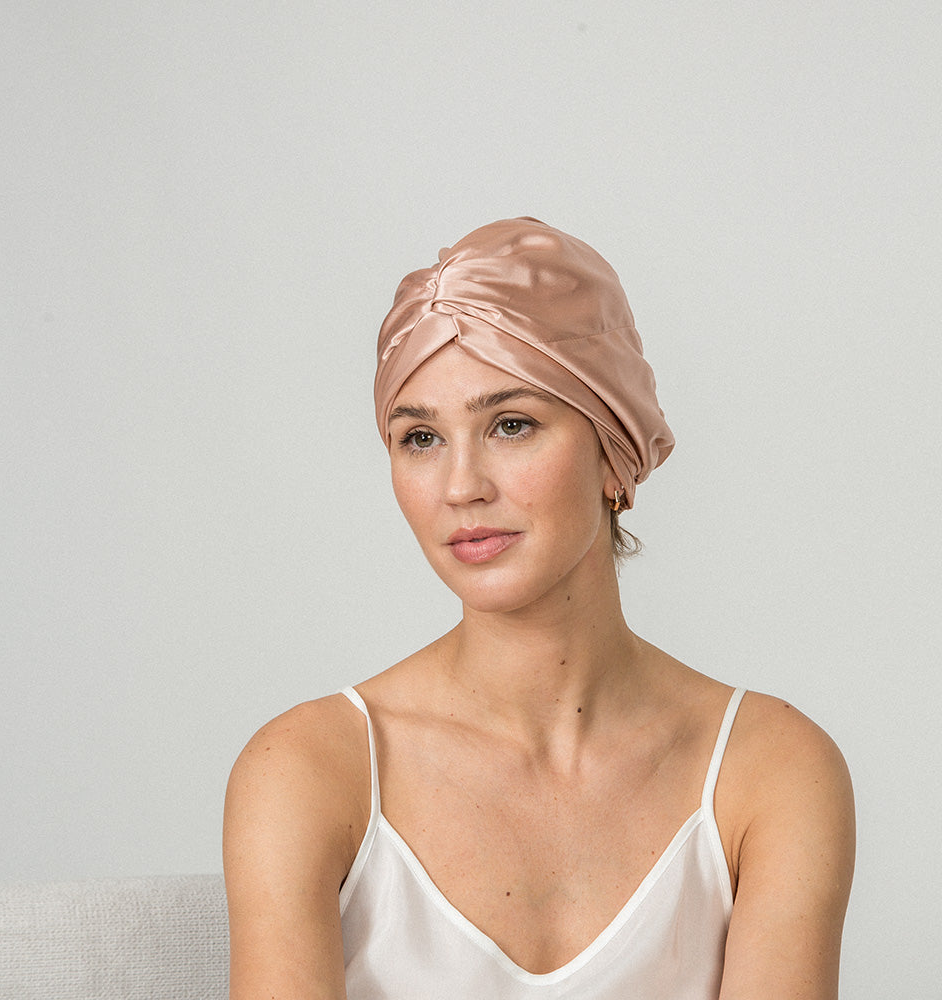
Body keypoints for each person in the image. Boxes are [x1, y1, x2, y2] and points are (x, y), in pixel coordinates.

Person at [223, 218, 855, 999]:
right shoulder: (311, 770)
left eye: (511, 425)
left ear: (614, 453)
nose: (461, 487)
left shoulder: (771, 772)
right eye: (419, 437)